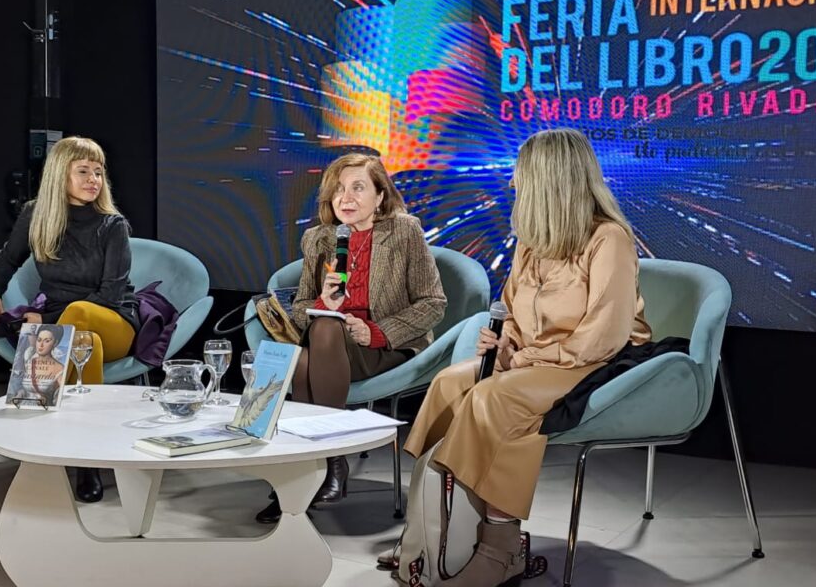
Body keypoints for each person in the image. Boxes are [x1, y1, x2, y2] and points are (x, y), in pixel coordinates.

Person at [398, 129, 651, 586]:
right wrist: (505, 343)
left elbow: (604, 336)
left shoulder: (608, 239)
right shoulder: (533, 242)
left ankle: (499, 548)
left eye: (521, 174)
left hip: (593, 364)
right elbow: (510, 310)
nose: (513, 183)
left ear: (549, 179)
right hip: (536, 361)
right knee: (450, 383)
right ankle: (427, 533)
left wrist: (528, 356)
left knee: (494, 398)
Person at [255, 153, 447, 523]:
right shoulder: (318, 238)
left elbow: (433, 303)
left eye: (358, 188)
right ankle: (325, 464)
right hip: (330, 348)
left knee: (313, 349)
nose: (345, 198)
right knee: (311, 349)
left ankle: (312, 472)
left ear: (380, 195)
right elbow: (300, 307)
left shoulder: (405, 231)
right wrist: (323, 303)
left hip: (384, 348)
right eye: (338, 190)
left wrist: (375, 332)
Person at [0, 136, 139, 503]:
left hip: (114, 322)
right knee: (82, 342)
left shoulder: (112, 226)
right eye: (83, 171)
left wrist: (48, 318)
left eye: (98, 172)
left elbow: (111, 294)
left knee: (78, 321)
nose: (94, 179)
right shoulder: (36, 215)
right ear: (59, 176)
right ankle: (87, 460)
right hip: (70, 331)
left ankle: (42, 431)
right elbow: (5, 261)